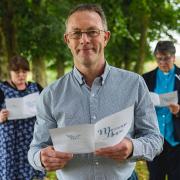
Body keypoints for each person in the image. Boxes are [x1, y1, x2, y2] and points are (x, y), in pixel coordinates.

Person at [28, 4, 163, 180]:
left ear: (106, 37)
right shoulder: (50, 94)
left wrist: (132, 147)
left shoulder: (134, 83)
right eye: (76, 33)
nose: (84, 39)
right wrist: (41, 158)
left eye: (92, 31)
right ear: (67, 40)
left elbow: (155, 140)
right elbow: (35, 149)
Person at [0, 55, 45, 180]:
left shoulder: (36, 87)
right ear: (10, 72)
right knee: (10, 169)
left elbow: (48, 108)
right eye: (17, 72)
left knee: (31, 167)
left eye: (24, 72)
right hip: (10, 139)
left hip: (31, 137)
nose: (21, 75)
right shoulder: (1, 89)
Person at [142, 41, 180, 180]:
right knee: (155, 176)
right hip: (153, 139)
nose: (163, 62)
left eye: (167, 58)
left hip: (176, 141)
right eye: (159, 58)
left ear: (173, 57)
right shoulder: (145, 79)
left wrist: (179, 111)